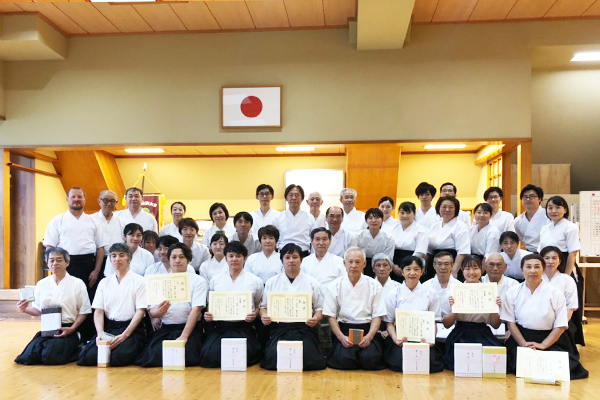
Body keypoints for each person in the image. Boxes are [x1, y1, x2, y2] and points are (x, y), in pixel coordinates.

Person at [501, 254, 588, 379]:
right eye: (528, 267)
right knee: (513, 364)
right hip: (522, 337)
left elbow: (561, 325)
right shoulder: (512, 292)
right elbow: (510, 322)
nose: (533, 271)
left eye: (537, 267)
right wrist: (524, 344)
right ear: (522, 270)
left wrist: (544, 345)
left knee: (567, 368)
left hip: (551, 338)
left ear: (543, 269)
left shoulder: (555, 293)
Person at [15, 247, 92, 365]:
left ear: (67, 262)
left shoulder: (77, 283)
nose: (55, 263)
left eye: (59, 260)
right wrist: (25, 309)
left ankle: (79, 347)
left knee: (50, 357)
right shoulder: (42, 284)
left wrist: (72, 329)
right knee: (27, 357)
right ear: (47, 263)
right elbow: (37, 310)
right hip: (48, 329)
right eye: (51, 260)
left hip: (68, 329)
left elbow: (84, 311)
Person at [137, 243, 208, 367]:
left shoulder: (198, 281)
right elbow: (151, 311)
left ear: (188, 260)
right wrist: (158, 312)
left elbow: (196, 310)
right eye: (173, 257)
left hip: (189, 330)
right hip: (167, 328)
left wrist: (184, 336)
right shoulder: (159, 281)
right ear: (169, 259)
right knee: (155, 356)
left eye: (182, 257)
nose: (177, 261)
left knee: (190, 357)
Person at [259, 243, 326, 371]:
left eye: (295, 257)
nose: (291, 261)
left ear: (301, 260)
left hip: (304, 327)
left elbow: (319, 309)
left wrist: (315, 319)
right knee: (273, 357)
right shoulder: (272, 282)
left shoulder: (312, 282)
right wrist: (264, 316)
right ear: (282, 261)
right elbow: (263, 307)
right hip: (279, 328)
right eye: (287, 257)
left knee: (309, 357)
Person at [77, 243, 147, 367]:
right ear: (110, 260)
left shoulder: (140, 281)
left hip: (132, 329)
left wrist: (125, 335)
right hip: (111, 328)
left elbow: (140, 311)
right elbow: (98, 311)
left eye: (121, 255)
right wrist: (100, 334)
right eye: (113, 256)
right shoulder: (104, 282)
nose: (117, 259)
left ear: (129, 259)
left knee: (117, 358)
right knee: (88, 357)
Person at [199, 241, 264, 368]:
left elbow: (258, 305)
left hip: (244, 326)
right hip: (222, 327)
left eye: (238, 256)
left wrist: (254, 314)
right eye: (231, 256)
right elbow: (210, 304)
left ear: (245, 259)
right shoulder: (215, 280)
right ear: (226, 258)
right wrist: (208, 315)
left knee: (248, 355)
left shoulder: (255, 281)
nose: (234, 259)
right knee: (210, 355)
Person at [323, 247, 386, 370]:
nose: (353, 265)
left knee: (370, 358)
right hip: (345, 330)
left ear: (364, 264)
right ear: (344, 263)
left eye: (358, 262)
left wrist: (369, 336)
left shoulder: (374, 285)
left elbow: (377, 315)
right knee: (345, 360)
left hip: (367, 329)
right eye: (350, 261)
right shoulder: (335, 285)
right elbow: (330, 315)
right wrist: (341, 337)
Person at [383, 256, 443, 373]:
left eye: (416, 269)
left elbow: (433, 321)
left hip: (423, 339)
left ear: (422, 272)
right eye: (408, 269)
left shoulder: (430, 293)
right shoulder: (394, 293)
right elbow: (389, 322)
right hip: (402, 339)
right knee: (399, 363)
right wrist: (395, 339)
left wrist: (431, 340)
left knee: (430, 364)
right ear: (402, 272)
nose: (412, 273)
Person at [43, 187, 107, 297]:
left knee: (88, 297)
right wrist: (53, 268)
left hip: (88, 264)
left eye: (79, 197)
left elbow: (100, 248)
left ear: (84, 199)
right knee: (65, 297)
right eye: (73, 197)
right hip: (65, 264)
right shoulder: (57, 221)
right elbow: (50, 247)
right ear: (67, 199)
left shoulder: (93, 221)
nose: (76, 199)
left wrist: (96, 270)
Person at [538, 196, 584, 346]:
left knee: (568, 305)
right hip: (547, 266)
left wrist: (566, 277)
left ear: (565, 209)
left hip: (564, 265)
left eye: (558, 207)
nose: (554, 211)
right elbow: (541, 252)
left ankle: (570, 340)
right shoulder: (545, 228)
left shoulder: (570, 227)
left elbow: (572, 253)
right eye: (550, 207)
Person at [442, 256, 501, 370]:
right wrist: (455, 309)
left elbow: (495, 325)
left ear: (482, 269)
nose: (472, 272)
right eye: (467, 268)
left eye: (475, 268)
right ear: (462, 270)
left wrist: (495, 308)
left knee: (492, 363)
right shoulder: (453, 291)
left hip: (482, 332)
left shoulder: (489, 291)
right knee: (457, 363)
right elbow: (446, 324)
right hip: (460, 333)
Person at [427, 196, 470, 280]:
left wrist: (454, 271)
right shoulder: (434, 226)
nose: (447, 210)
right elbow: (428, 250)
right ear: (438, 208)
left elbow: (463, 252)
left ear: (456, 209)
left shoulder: (461, 226)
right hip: (434, 264)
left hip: (451, 263)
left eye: (451, 207)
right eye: (444, 207)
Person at [389, 201, 429, 280]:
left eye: (408, 213)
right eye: (402, 212)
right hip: (394, 264)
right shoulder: (392, 229)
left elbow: (419, 252)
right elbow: (387, 249)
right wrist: (392, 265)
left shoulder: (421, 230)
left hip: (412, 263)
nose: (404, 215)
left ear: (414, 214)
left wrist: (406, 267)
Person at [273, 184, 315, 255]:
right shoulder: (278, 217)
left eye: (297, 195)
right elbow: (273, 237)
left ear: (302, 198)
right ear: (286, 198)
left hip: (303, 254)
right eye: (291, 195)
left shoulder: (309, 217)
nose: (294, 198)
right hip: (283, 254)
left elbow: (315, 237)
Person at [91, 190, 125, 272]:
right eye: (106, 200)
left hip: (116, 260)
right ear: (99, 201)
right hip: (95, 260)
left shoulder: (121, 222)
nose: (109, 204)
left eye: (112, 201)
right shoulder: (91, 219)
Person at [356, 208, 395, 278]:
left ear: (382, 220)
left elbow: (388, 257)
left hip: (381, 265)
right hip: (362, 264)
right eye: (370, 218)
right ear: (366, 220)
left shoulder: (389, 238)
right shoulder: (359, 236)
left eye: (377, 217)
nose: (373, 221)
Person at [421, 251, 460, 319]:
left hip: (454, 325)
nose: (443, 267)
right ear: (434, 266)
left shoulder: (459, 286)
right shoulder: (425, 286)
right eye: (439, 264)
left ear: (452, 266)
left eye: (446, 264)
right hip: (432, 324)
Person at [514, 184, 550, 252]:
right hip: (529, 252)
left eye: (532, 196)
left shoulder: (548, 215)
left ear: (539, 199)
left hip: (547, 252)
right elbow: (519, 238)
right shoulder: (518, 220)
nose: (528, 199)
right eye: (525, 197)